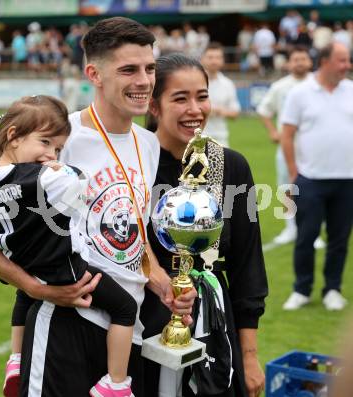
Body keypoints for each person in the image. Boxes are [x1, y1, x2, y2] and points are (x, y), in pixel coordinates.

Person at [0, 17, 196, 397]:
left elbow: (132, 228)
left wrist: (162, 281)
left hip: (123, 328)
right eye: (128, 70)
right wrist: (35, 288)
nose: (144, 81)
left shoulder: (147, 144)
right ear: (94, 74)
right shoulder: (57, 138)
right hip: (67, 319)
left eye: (149, 69)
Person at [0, 95, 144, 397]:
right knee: (125, 308)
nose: (51, 154)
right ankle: (116, 384)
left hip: (23, 264)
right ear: (13, 136)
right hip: (66, 269)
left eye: (57, 149)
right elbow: (78, 185)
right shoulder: (43, 178)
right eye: (45, 143)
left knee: (23, 295)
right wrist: (60, 169)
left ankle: (15, 359)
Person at [141, 53, 268, 397]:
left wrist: (250, 356)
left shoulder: (230, 166)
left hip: (213, 322)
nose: (195, 109)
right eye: (180, 98)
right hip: (140, 323)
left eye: (202, 96)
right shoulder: (134, 163)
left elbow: (247, 265)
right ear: (154, 106)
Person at [281, 42, 353, 311]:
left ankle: (332, 289)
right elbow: (287, 135)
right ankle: (302, 289)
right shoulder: (300, 93)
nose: (347, 65)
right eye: (342, 60)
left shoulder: (351, 91)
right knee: (305, 237)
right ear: (324, 61)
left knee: (339, 239)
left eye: (348, 60)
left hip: (348, 180)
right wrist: (293, 173)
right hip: (310, 179)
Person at [257, 46, 325, 249]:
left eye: (303, 58)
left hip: (314, 149)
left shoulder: (318, 85)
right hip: (287, 147)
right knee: (287, 188)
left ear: (310, 62)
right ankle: (290, 229)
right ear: (289, 63)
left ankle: (315, 232)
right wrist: (272, 131)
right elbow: (264, 110)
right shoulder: (280, 87)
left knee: (315, 190)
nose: (300, 63)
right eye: (296, 59)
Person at [200, 42, 240, 147]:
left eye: (218, 57)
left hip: (221, 139)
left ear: (222, 60)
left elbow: (235, 113)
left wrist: (218, 111)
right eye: (210, 57)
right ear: (202, 59)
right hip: (197, 138)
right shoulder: (194, 82)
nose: (214, 61)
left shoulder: (228, 84)